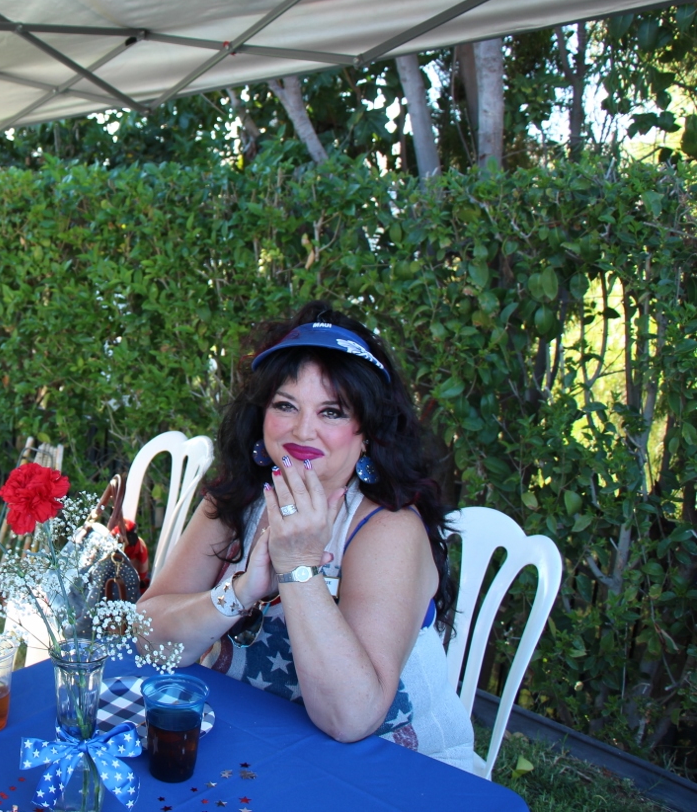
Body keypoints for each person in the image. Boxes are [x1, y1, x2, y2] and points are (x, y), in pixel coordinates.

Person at [138, 301, 476, 771]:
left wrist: (298, 567)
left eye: (332, 411)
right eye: (285, 405)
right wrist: (240, 592)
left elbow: (350, 717)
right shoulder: (233, 502)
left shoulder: (387, 530)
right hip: (255, 740)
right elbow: (146, 636)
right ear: (261, 417)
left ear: (368, 433)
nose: (302, 429)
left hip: (390, 771)